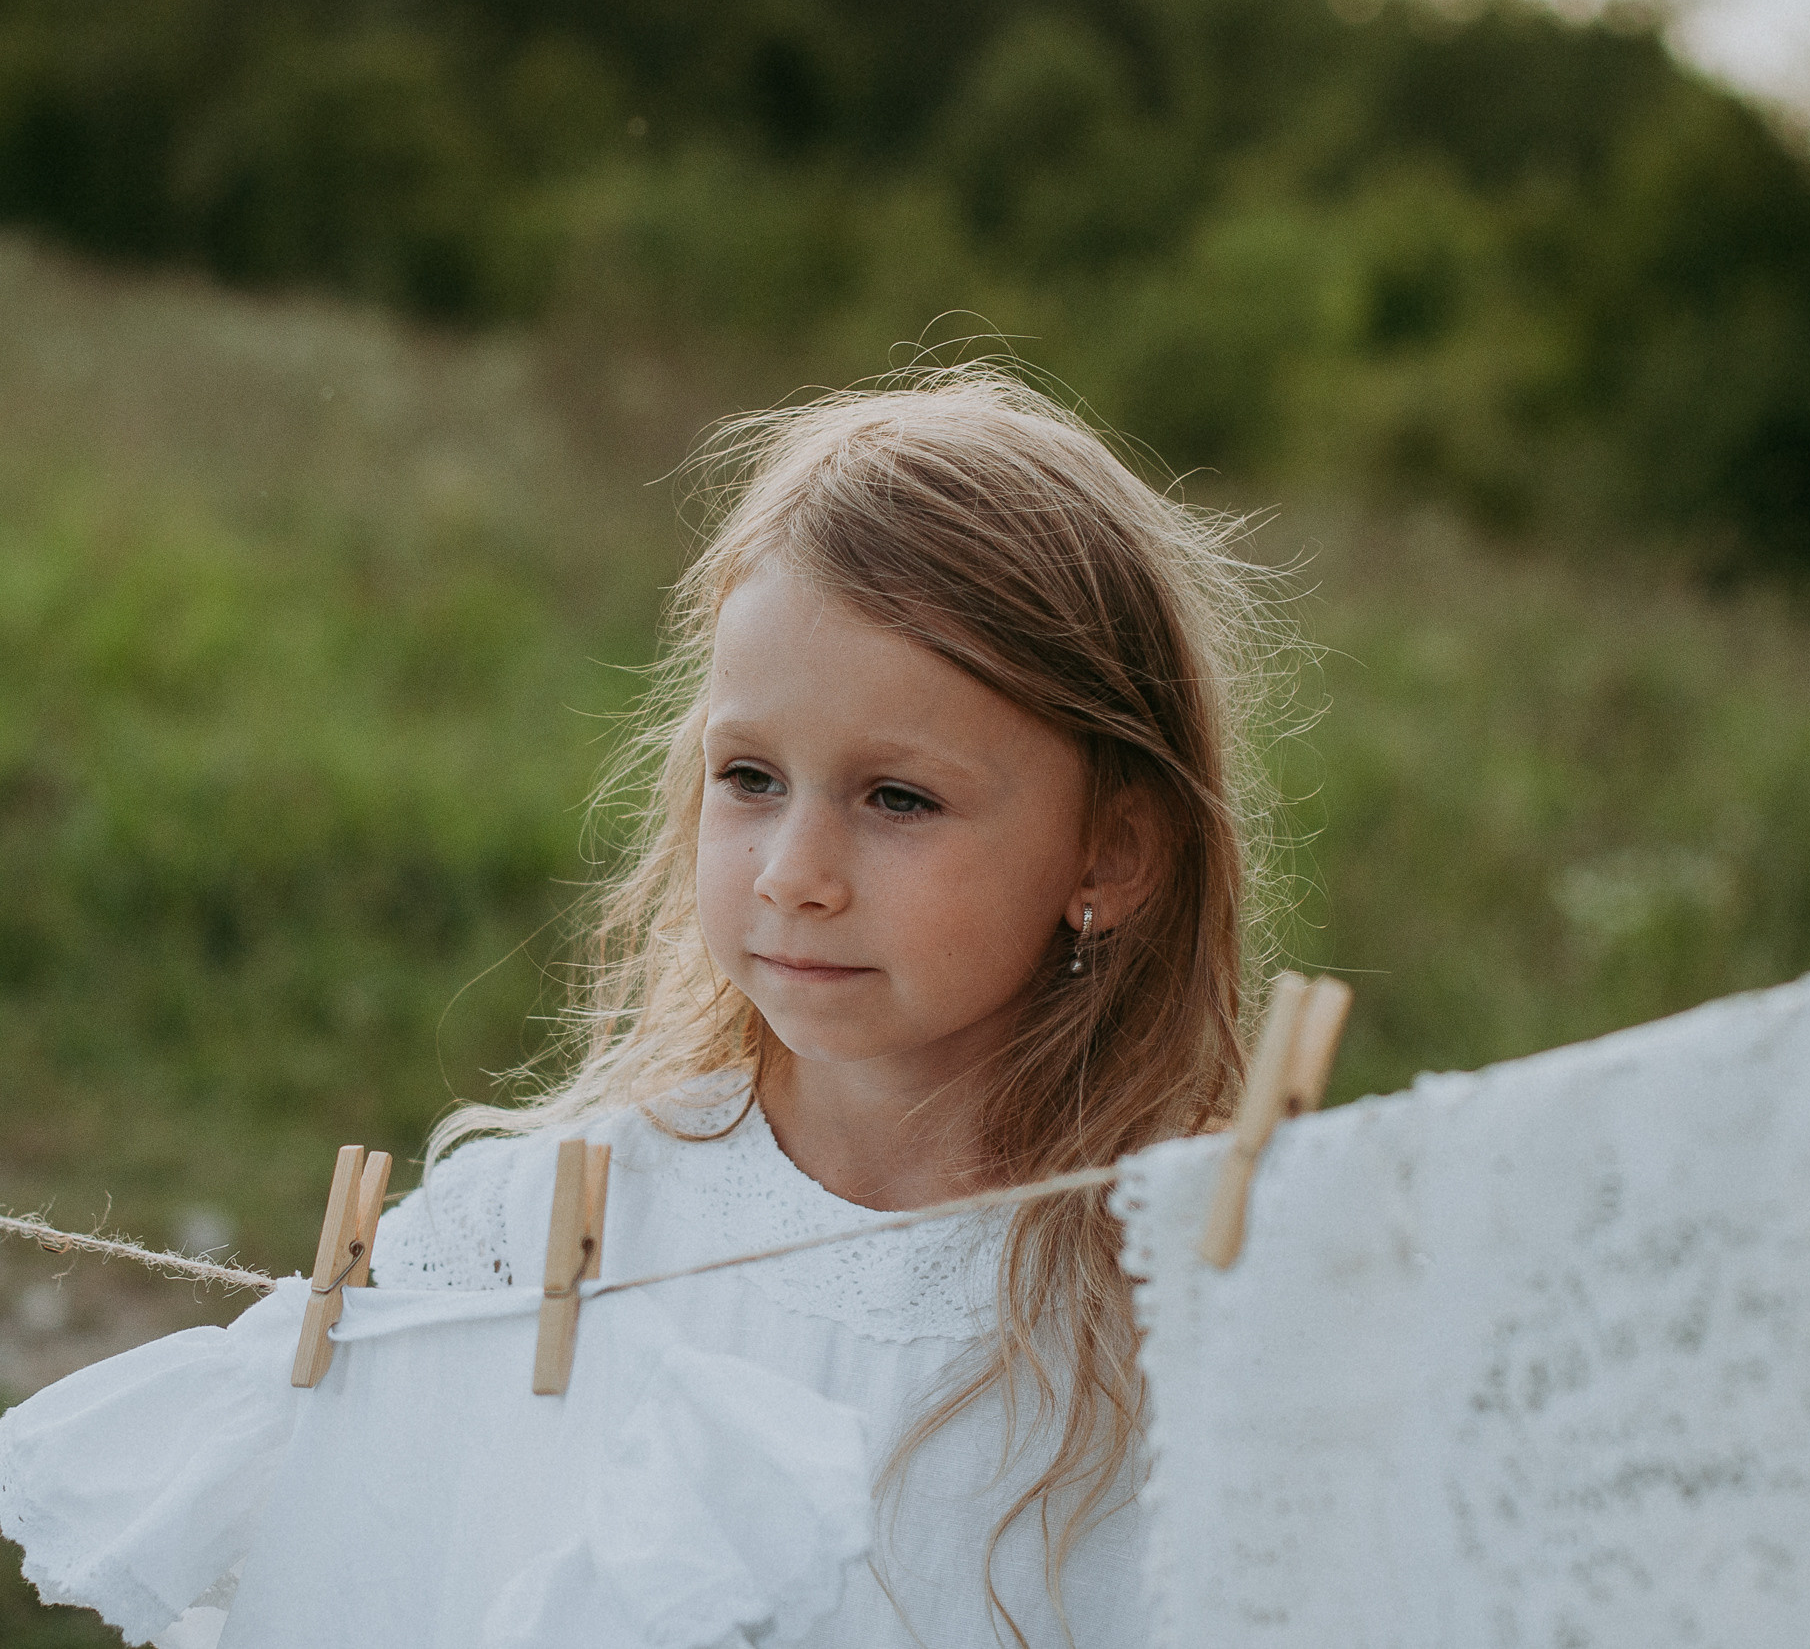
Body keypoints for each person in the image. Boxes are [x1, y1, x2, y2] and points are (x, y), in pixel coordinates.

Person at [371, 364, 1287, 1648]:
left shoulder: (1197, 1313)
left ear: (1110, 855)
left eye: (895, 798)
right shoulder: (534, 1234)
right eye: (749, 777)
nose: (793, 873)